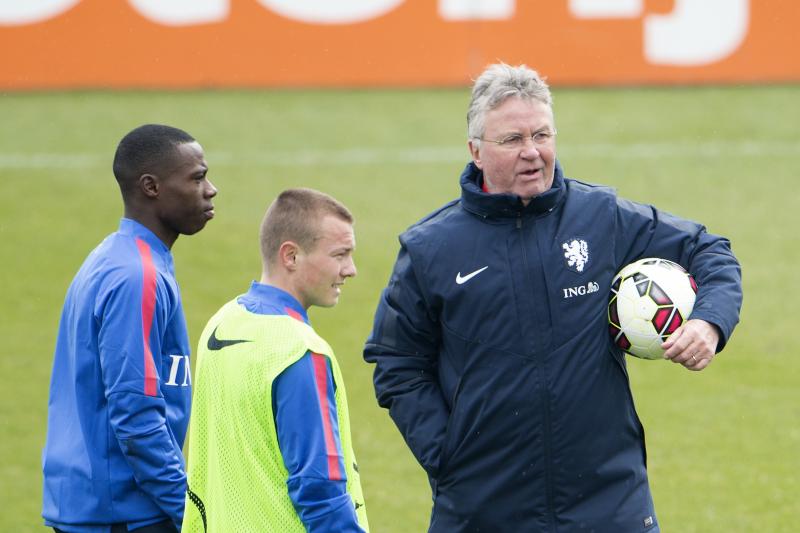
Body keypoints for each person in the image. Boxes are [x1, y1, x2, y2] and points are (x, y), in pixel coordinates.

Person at [363, 63, 742, 532]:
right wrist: (448, 454)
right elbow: (397, 362)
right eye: (512, 140)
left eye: (541, 135)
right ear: (475, 151)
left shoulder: (600, 218)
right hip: (483, 508)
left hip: (608, 503)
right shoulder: (430, 249)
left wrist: (709, 321)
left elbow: (709, 250)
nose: (532, 153)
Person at [42, 124, 218, 533]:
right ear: (151, 187)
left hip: (96, 504)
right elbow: (135, 414)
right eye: (196, 178)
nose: (210, 190)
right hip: (123, 513)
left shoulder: (113, 257)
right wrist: (190, 513)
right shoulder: (137, 277)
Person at [182, 188, 369, 532]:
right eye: (340, 254)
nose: (351, 269)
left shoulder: (222, 323)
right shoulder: (298, 352)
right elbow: (319, 489)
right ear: (291, 256)